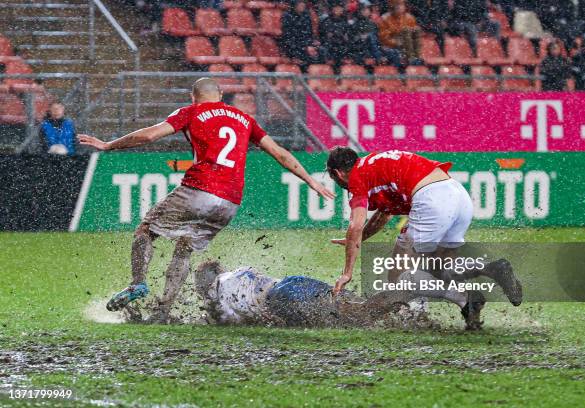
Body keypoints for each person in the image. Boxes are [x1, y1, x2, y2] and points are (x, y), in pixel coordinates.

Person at [78, 78, 335, 323]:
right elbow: (279, 152)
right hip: (230, 202)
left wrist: (109, 145)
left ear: (193, 97)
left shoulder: (191, 112)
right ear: (221, 97)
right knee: (185, 247)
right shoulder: (245, 119)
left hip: (200, 189)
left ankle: (138, 284)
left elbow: (149, 136)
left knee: (146, 229)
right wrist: (310, 180)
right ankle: (163, 311)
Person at [325, 147, 522, 330]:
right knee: (438, 267)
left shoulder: (357, 177)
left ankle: (456, 302)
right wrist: (359, 238)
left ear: (337, 173)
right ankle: (491, 269)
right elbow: (383, 214)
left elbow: (356, 224)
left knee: (400, 275)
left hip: (431, 198)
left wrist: (347, 272)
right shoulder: (372, 166)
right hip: (457, 195)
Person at [192, 260, 409, 327]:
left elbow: (230, 320)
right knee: (354, 306)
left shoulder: (216, 293)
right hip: (290, 282)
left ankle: (408, 292)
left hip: (279, 300)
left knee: (349, 320)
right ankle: (406, 294)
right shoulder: (238, 272)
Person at [348, 2, 402, 68]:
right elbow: (351, 40)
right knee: (370, 37)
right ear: (360, 11)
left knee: (393, 53)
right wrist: (360, 37)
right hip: (362, 49)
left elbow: (378, 37)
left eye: (367, 10)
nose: (366, 12)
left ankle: (398, 73)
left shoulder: (373, 24)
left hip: (375, 48)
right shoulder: (355, 24)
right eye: (363, 10)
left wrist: (383, 45)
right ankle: (379, 58)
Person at [319, 1, 351, 67]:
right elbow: (324, 36)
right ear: (332, 9)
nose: (339, 10)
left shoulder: (345, 22)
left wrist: (341, 36)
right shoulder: (326, 21)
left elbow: (347, 36)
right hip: (330, 48)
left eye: (340, 8)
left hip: (342, 48)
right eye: (336, 8)